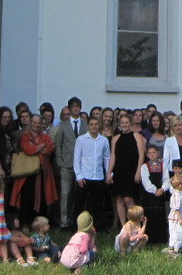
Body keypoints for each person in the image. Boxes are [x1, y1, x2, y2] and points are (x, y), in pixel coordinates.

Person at [12, 114, 58, 226]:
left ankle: (40, 224)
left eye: (38, 123)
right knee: (27, 198)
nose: (36, 125)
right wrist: (41, 146)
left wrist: (35, 147)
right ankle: (25, 223)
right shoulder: (25, 136)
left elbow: (49, 149)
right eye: (34, 122)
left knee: (42, 198)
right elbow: (27, 150)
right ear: (30, 123)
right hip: (27, 173)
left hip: (42, 172)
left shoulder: (45, 136)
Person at [51, 97, 87, 230]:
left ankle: (78, 221)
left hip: (82, 165)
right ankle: (64, 222)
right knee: (65, 194)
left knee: (79, 194)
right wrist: (59, 161)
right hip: (67, 164)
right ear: (69, 108)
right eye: (73, 106)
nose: (75, 108)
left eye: (77, 106)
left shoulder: (85, 125)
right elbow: (58, 144)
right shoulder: (63, 125)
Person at [107, 113, 146, 230]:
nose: (124, 125)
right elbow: (113, 156)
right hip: (119, 172)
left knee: (129, 199)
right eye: (122, 123)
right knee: (119, 199)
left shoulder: (136, 136)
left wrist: (138, 171)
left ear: (130, 123)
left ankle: (134, 225)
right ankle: (124, 227)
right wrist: (109, 173)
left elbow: (141, 155)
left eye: (126, 122)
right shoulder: (115, 138)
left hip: (132, 171)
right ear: (119, 124)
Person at [73, 116, 110, 228]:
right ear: (88, 126)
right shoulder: (81, 140)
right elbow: (76, 159)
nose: (94, 126)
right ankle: (77, 226)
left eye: (96, 124)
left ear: (99, 126)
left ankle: (99, 226)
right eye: (92, 124)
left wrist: (109, 174)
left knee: (98, 204)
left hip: (98, 176)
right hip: (84, 176)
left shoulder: (103, 140)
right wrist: (79, 176)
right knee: (80, 203)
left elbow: (106, 158)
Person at [139, 144, 169, 244]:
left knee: (159, 216)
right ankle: (149, 239)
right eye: (150, 153)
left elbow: (166, 179)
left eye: (154, 152)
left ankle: (160, 239)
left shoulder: (163, 166)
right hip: (149, 195)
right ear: (147, 155)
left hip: (160, 193)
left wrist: (162, 189)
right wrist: (154, 190)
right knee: (150, 216)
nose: (152, 155)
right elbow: (146, 181)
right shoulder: (144, 167)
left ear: (158, 153)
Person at [166, 174, 182, 253]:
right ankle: (176, 248)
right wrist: (180, 219)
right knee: (178, 233)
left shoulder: (180, 194)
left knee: (178, 233)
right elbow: (176, 209)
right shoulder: (176, 196)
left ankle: (177, 247)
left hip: (178, 218)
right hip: (176, 219)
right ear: (180, 185)